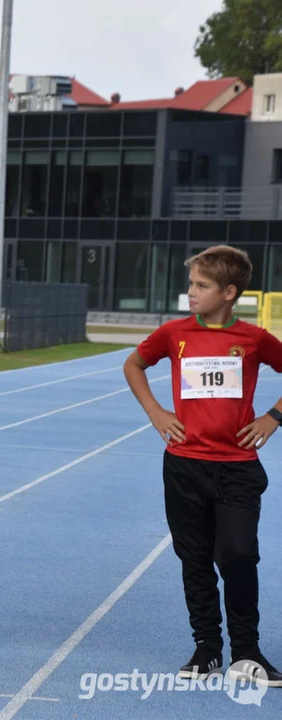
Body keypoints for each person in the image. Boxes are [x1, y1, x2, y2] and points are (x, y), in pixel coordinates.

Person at [124, 245, 282, 686]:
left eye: (201, 285)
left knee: (236, 554)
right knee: (193, 558)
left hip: (236, 468)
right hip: (183, 467)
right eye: (191, 284)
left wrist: (273, 417)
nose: (191, 292)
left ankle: (247, 653)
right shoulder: (174, 334)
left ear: (230, 292)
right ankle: (208, 649)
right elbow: (134, 364)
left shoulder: (254, 339)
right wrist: (157, 413)